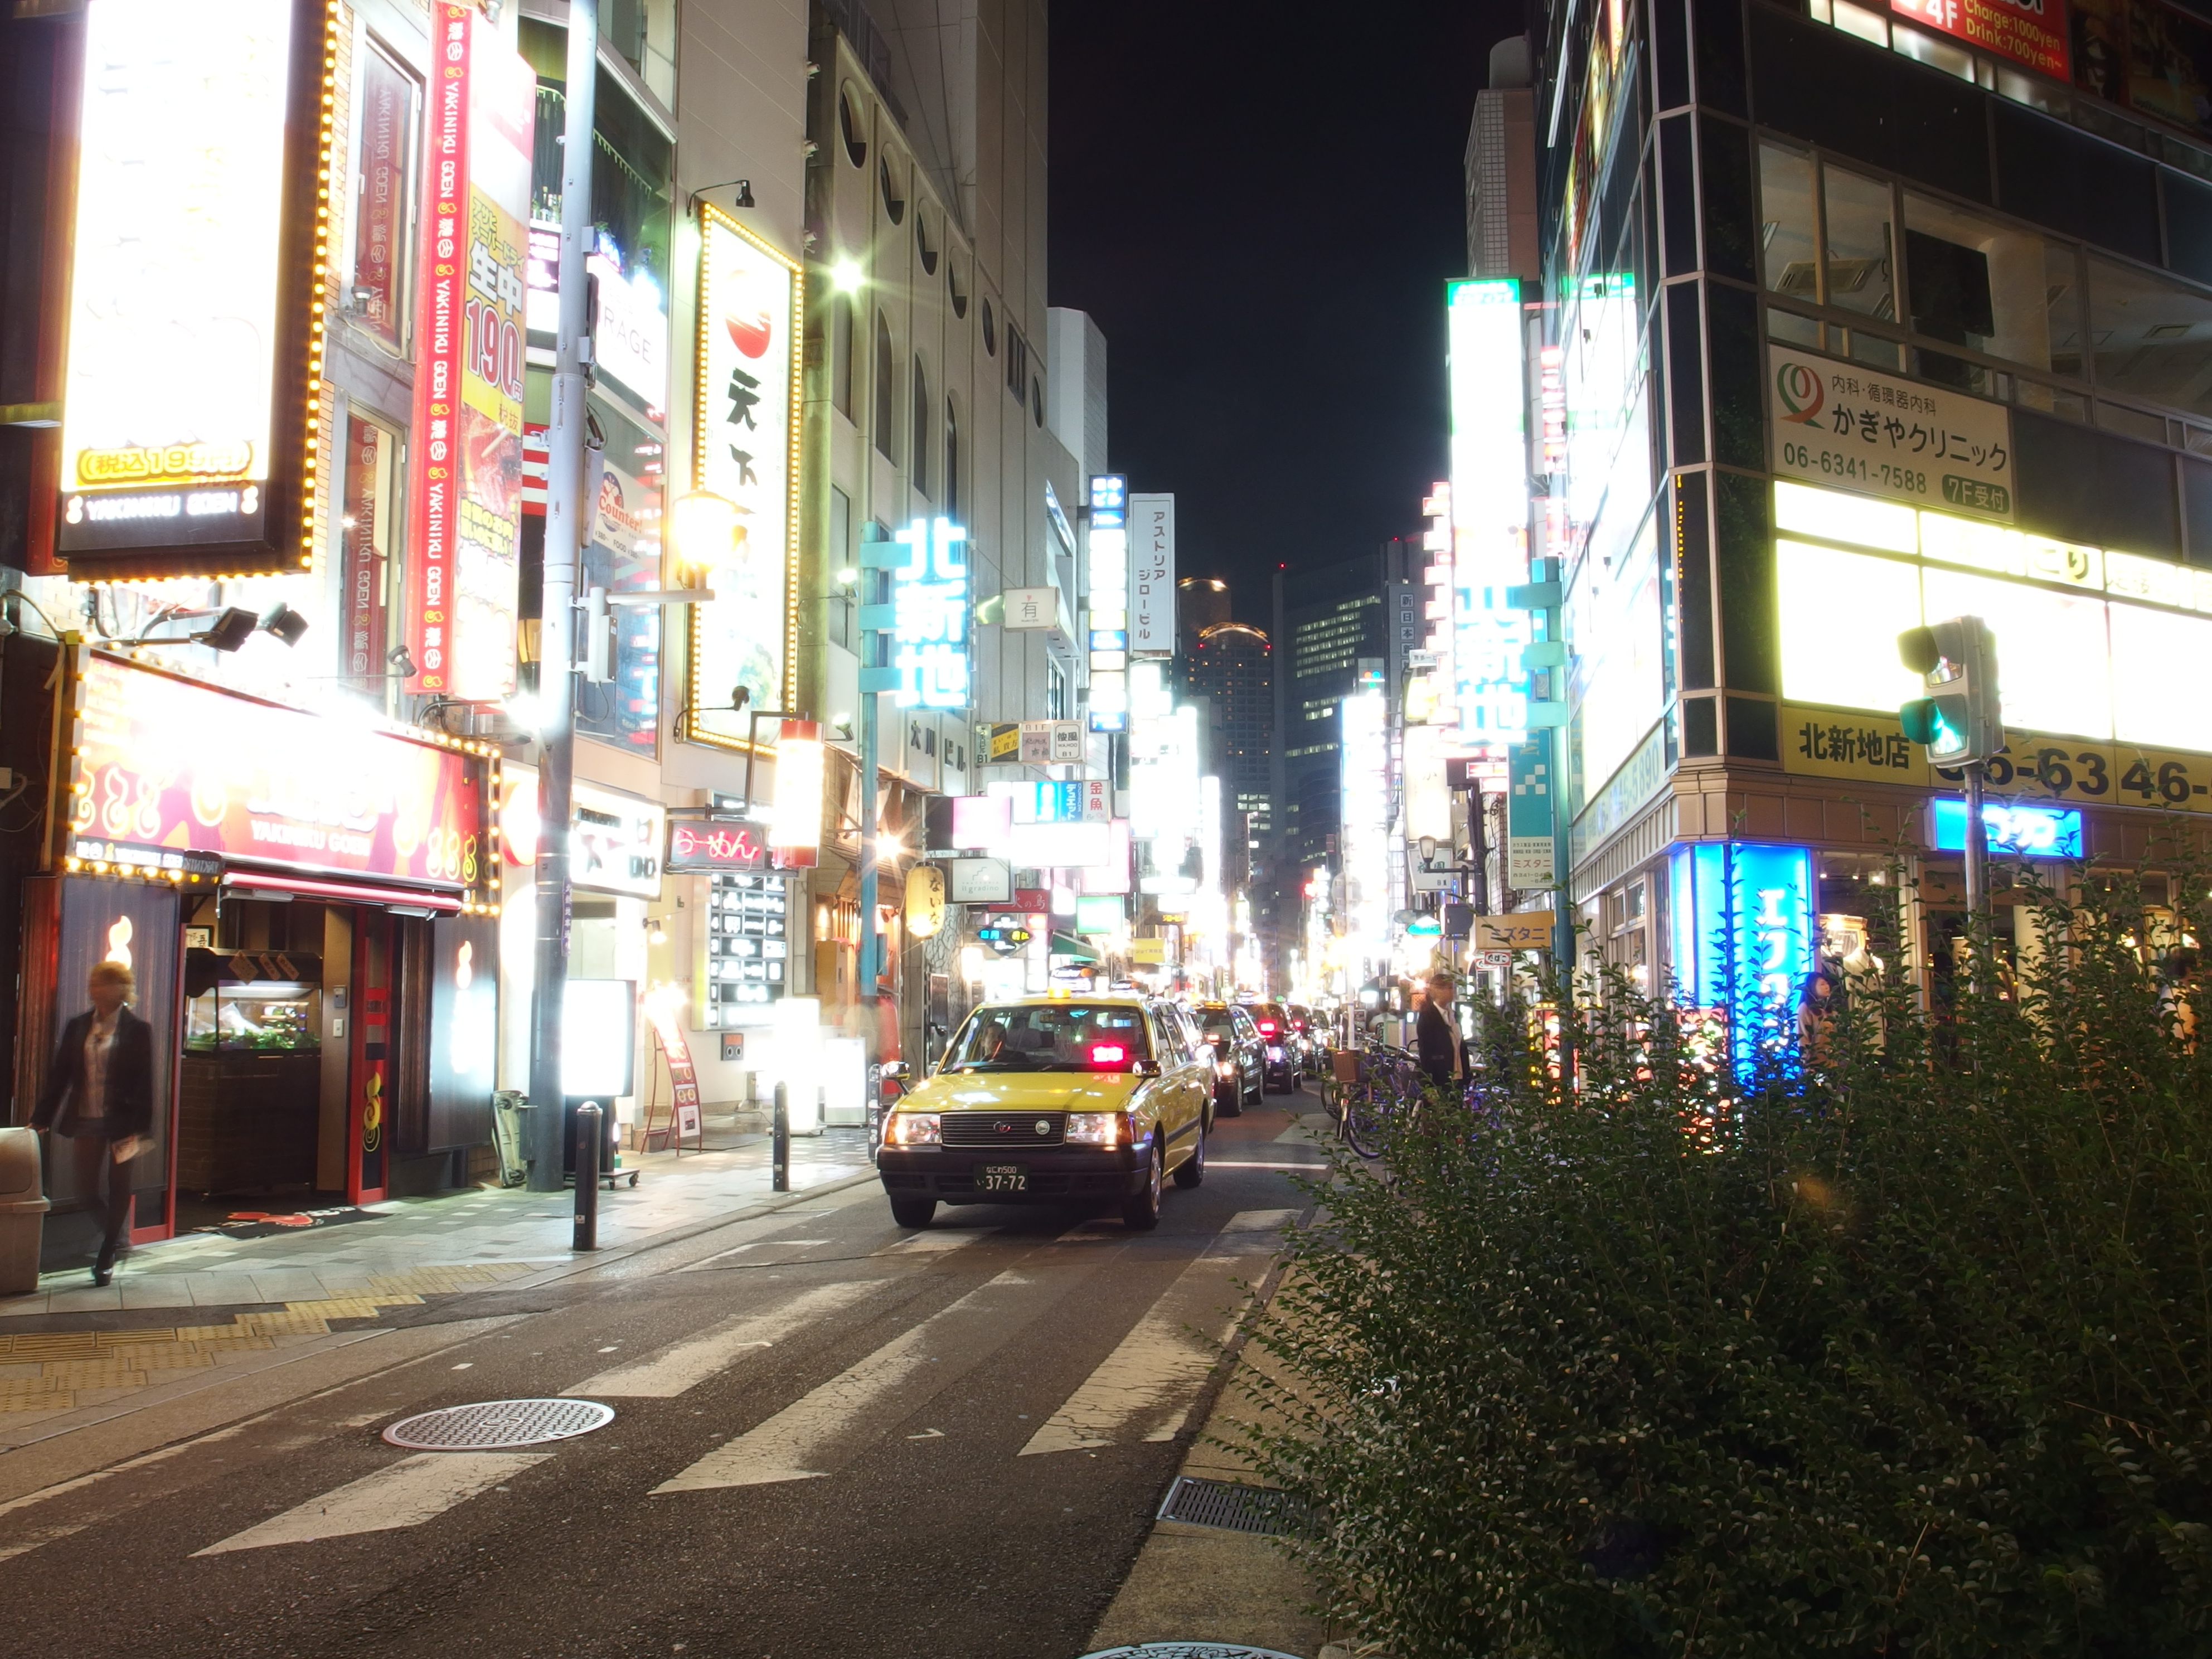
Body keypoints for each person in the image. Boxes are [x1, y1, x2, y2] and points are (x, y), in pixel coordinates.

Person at [32, 961, 153, 1286]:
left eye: (103, 983)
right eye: (93, 983)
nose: (95, 989)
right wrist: (41, 1119)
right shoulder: (78, 1026)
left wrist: (140, 1129)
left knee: (119, 1188)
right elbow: (60, 1076)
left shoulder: (137, 1029)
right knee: (85, 1190)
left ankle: (106, 1255)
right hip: (86, 1117)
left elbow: (145, 1083)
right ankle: (114, 1239)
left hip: (122, 1122)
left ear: (121, 989)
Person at [1416, 972, 1464, 1090]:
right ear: (1438, 990)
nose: (1453, 992)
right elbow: (1426, 1053)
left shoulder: (1454, 1015)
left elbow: (1460, 1046)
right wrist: (1429, 1086)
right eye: (1449, 988)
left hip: (1458, 1077)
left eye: (1453, 988)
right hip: (1440, 1078)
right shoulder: (1428, 1017)